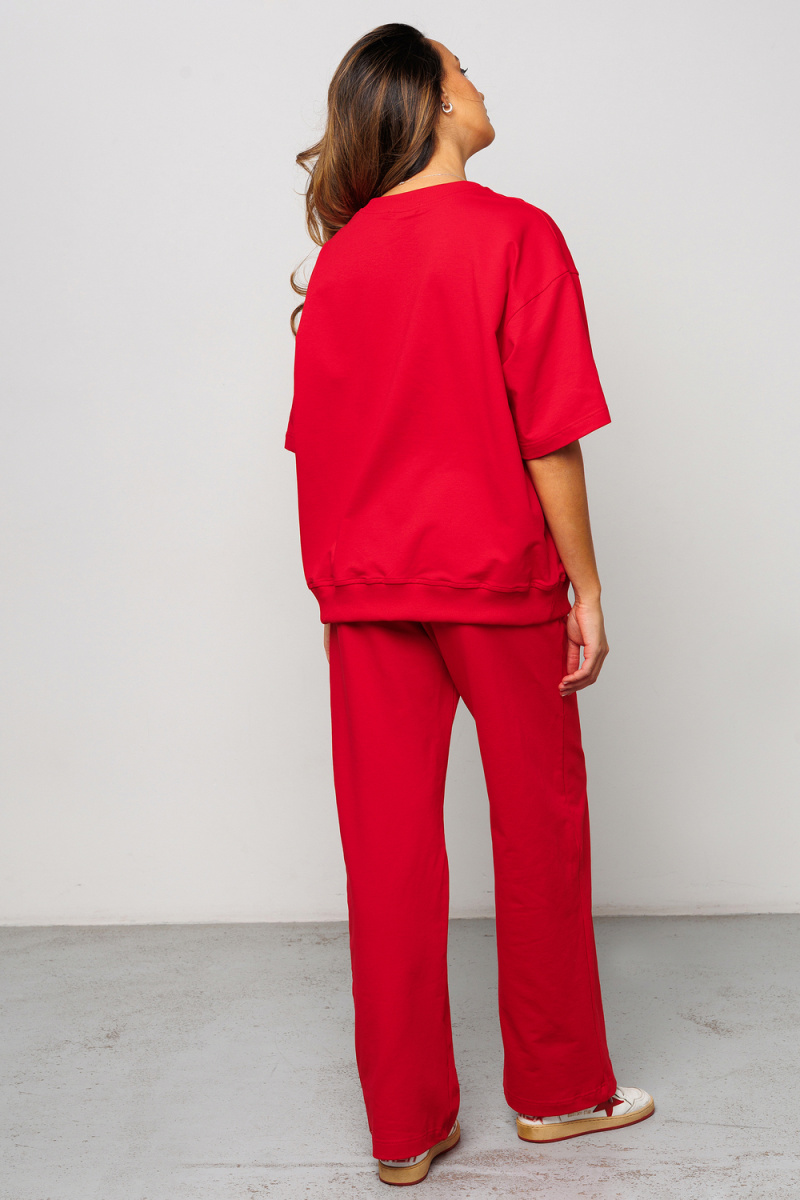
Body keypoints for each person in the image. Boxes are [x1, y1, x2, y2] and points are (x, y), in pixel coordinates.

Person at [284, 22, 654, 1187]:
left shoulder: (342, 262)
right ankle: (557, 1092)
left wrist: (341, 583)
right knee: (537, 830)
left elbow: (315, 445)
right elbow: (548, 431)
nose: (477, 84)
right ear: (432, 104)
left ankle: (404, 1131)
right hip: (494, 576)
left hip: (365, 588)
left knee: (386, 851)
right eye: (462, 71)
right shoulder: (514, 233)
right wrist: (584, 582)